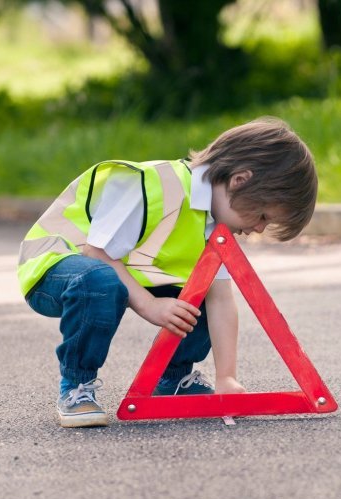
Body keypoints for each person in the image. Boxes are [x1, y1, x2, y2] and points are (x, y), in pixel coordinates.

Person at [17, 117, 318, 427]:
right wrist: (149, 304)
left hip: (119, 274)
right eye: (263, 216)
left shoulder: (214, 223)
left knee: (197, 295)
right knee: (99, 280)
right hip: (57, 266)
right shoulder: (152, 185)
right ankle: (76, 386)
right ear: (239, 180)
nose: (257, 229)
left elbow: (220, 300)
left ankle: (174, 378)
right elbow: (98, 254)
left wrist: (227, 378)